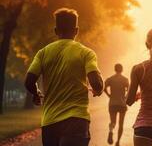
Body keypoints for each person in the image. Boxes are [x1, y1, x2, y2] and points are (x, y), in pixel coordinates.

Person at [25, 8, 103, 146]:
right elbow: (96, 83)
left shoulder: (43, 53)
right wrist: (98, 88)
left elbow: (29, 81)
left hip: (50, 122)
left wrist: (36, 92)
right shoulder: (86, 53)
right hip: (77, 119)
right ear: (76, 30)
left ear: (56, 30)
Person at [104, 63, 129, 146]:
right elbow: (129, 90)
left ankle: (111, 130)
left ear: (115, 69)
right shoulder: (125, 79)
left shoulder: (110, 79)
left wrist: (109, 95)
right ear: (121, 70)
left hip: (112, 103)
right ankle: (118, 142)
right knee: (121, 124)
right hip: (122, 104)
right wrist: (125, 98)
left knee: (113, 122)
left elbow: (104, 87)